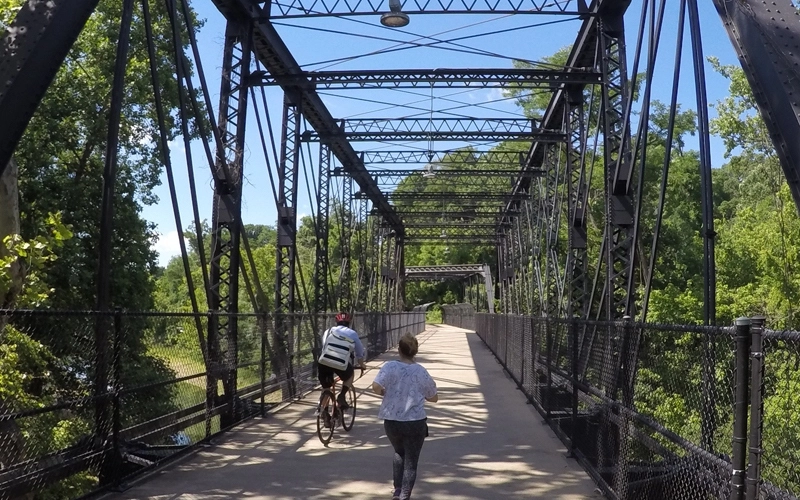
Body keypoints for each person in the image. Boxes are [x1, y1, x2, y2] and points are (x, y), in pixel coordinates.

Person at [372, 333, 438, 500]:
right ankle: (404, 495)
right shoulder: (421, 371)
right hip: (415, 422)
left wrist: (384, 393)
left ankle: (397, 490)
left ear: (399, 350)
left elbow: (376, 386)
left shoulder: (389, 367)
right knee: (411, 461)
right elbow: (433, 397)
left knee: (399, 452)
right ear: (415, 352)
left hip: (392, 421)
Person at [317, 312, 366, 411]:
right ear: (349, 322)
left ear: (336, 322)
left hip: (324, 362)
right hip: (341, 363)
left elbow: (324, 347)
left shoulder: (328, 331)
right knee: (350, 374)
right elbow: (359, 352)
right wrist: (362, 365)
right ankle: (342, 396)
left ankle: (324, 413)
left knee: (326, 387)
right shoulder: (352, 333)